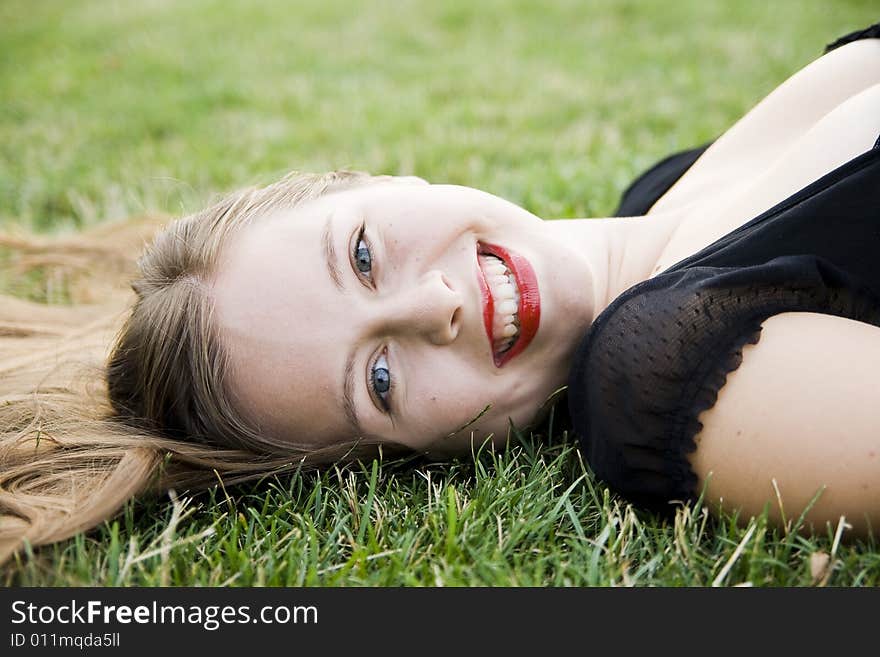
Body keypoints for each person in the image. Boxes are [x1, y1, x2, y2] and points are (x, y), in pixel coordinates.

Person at [1, 23, 879, 563]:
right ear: (416, 455)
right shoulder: (663, 379)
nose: (434, 310)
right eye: (378, 380)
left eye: (364, 255)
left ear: (378, 178)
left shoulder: (660, 198)